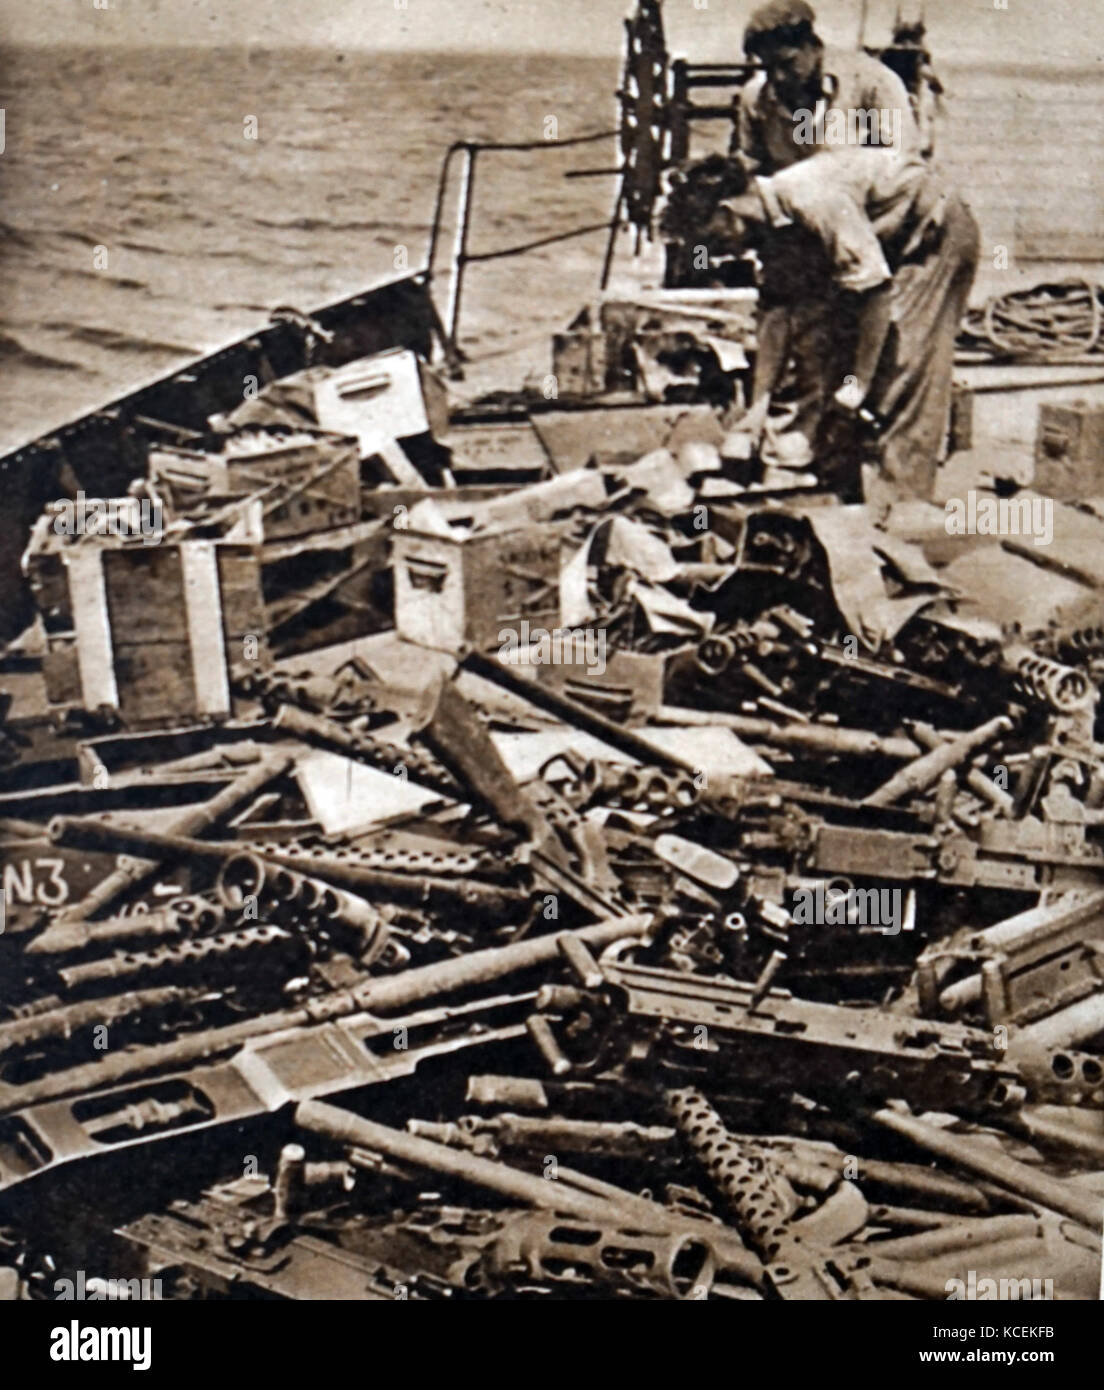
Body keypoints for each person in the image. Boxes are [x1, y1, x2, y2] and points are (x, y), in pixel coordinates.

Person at [685, 144, 979, 504]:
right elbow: (777, 318)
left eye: (717, 241)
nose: (726, 252)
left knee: (899, 376)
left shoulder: (811, 199)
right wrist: (756, 410)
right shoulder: (770, 225)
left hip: (932, 235)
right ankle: (844, 492)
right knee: (824, 353)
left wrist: (858, 384)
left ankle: (901, 517)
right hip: (883, 247)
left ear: (728, 211)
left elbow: (875, 293)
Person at [729, 1, 921, 471]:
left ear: (813, 46)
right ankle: (799, 450)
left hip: (888, 230)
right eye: (768, 67)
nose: (778, 77)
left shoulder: (872, 83)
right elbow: (751, 173)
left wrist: (852, 247)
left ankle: (895, 498)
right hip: (803, 225)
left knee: (893, 365)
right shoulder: (758, 100)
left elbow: (904, 176)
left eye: (787, 63)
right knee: (794, 332)